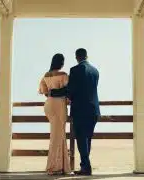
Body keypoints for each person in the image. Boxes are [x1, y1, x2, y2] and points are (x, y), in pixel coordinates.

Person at [50, 48, 100, 176]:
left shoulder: (75, 70)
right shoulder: (95, 71)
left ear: (77, 57)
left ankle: (86, 167)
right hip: (94, 110)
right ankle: (85, 165)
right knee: (87, 139)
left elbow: (70, 90)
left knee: (81, 138)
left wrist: (54, 93)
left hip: (80, 110)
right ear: (86, 56)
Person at [38, 53, 71, 175]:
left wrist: (52, 92)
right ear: (61, 62)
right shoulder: (63, 75)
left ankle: (60, 166)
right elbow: (68, 90)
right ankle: (53, 167)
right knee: (58, 135)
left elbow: (44, 92)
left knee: (57, 134)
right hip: (59, 104)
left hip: (49, 105)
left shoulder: (46, 75)